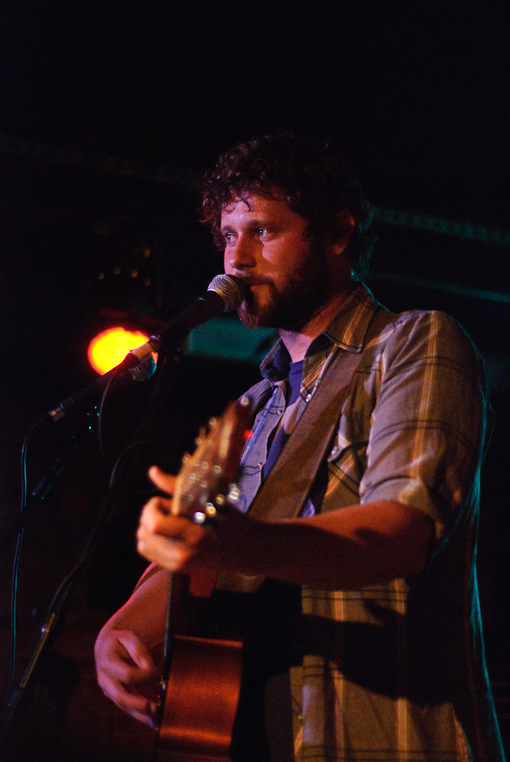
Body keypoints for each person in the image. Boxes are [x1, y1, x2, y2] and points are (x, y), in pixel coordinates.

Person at [94, 134, 505, 761]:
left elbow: (400, 533)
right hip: (246, 729)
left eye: (263, 230)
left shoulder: (416, 345)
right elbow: (194, 555)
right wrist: (121, 631)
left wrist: (230, 540)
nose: (237, 258)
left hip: (377, 734)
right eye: (228, 235)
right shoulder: (250, 408)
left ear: (337, 235)